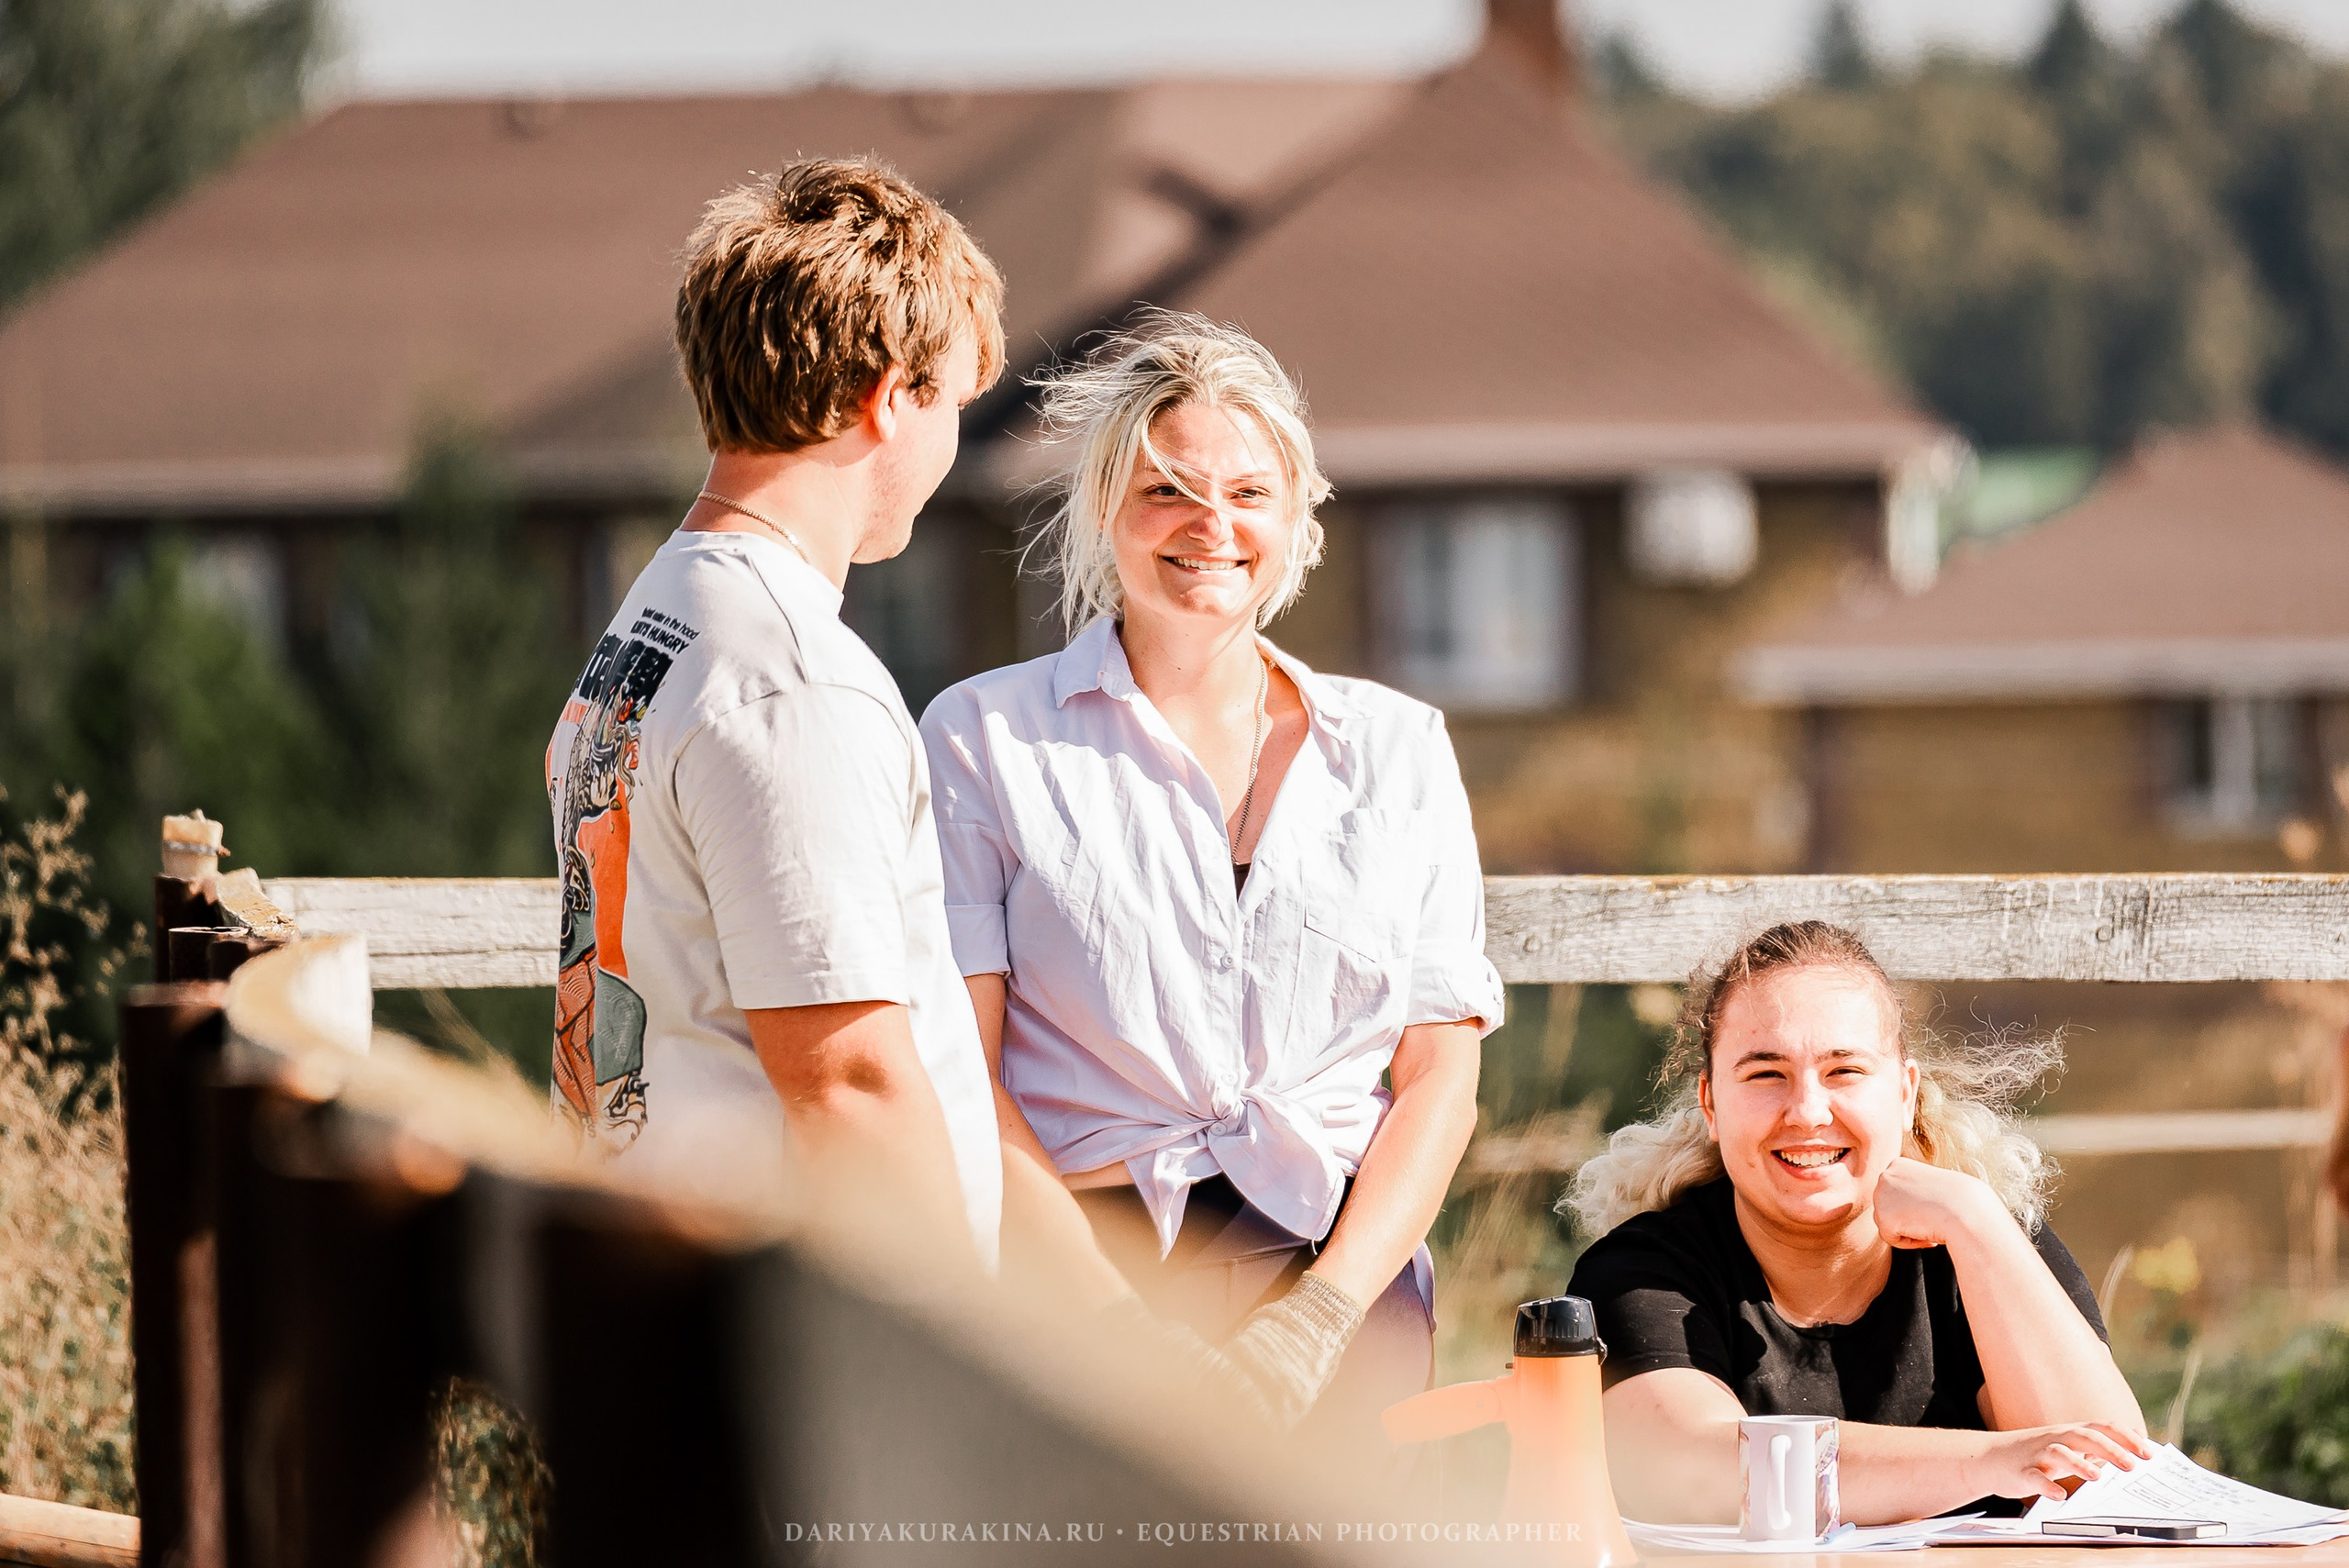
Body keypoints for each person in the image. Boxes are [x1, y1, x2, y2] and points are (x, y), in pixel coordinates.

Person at [918, 312, 1502, 1437]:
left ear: (1296, 519)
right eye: (1166, 491)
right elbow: (963, 1079)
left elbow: (1439, 1081)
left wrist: (1317, 1319)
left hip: (1344, 1274)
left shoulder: (1399, 748)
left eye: (1247, 494)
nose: (1210, 527)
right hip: (1088, 1274)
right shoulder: (980, 737)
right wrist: (1115, 1327)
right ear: (1103, 510)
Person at [543, 158, 1006, 1268]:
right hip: (788, 1330)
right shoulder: (793, 681)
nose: (950, 446)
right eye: (949, 400)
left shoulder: (657, 616)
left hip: (656, 1274)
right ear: (891, 396)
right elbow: (845, 1082)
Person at [1564, 921, 2152, 1525]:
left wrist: (1976, 1217)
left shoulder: (1986, 1241)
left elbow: (2114, 1485)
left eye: (1844, 1071)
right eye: (1766, 1074)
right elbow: (1694, 1468)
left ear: (1905, 1094)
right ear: (1711, 1104)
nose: (1808, 1111)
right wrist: (1996, 1460)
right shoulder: (1641, 1273)